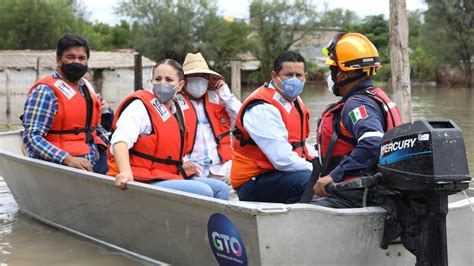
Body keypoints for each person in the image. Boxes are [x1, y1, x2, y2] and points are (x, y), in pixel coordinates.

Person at [106, 59, 229, 199]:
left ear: (180, 85)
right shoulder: (140, 106)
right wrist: (125, 172)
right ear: (151, 81)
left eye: (169, 79)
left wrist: (183, 163)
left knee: (221, 189)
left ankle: (211, 221)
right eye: (158, 79)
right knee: (203, 191)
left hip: (166, 174)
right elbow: (120, 141)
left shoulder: (176, 109)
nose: (162, 83)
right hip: (141, 177)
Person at [311, 32, 402, 208]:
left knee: (306, 216)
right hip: (377, 187)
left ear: (342, 75)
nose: (330, 76)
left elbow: (373, 142)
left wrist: (334, 176)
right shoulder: (376, 97)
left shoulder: (356, 106)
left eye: (333, 69)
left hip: (355, 192)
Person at [230, 51, 315, 204]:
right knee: (309, 180)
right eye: (288, 75)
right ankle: (295, 223)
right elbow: (281, 159)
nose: (294, 80)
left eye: (299, 75)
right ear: (274, 76)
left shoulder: (293, 99)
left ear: (305, 77)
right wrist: (317, 172)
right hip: (253, 181)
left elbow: (299, 144)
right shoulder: (262, 108)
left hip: (278, 173)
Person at [22, 34, 109, 174]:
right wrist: (67, 159)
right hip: (61, 168)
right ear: (58, 61)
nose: (77, 62)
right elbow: (32, 138)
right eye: (70, 57)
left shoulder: (86, 88)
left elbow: (95, 128)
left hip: (94, 160)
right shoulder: (45, 91)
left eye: (82, 58)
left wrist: (115, 143)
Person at [177, 52, 242, 184]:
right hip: (192, 169)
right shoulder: (173, 103)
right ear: (184, 80)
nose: (199, 79)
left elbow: (243, 119)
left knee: (248, 176)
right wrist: (182, 161)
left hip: (221, 167)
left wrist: (225, 92)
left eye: (203, 76)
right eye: (194, 76)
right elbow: (167, 138)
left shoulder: (218, 99)